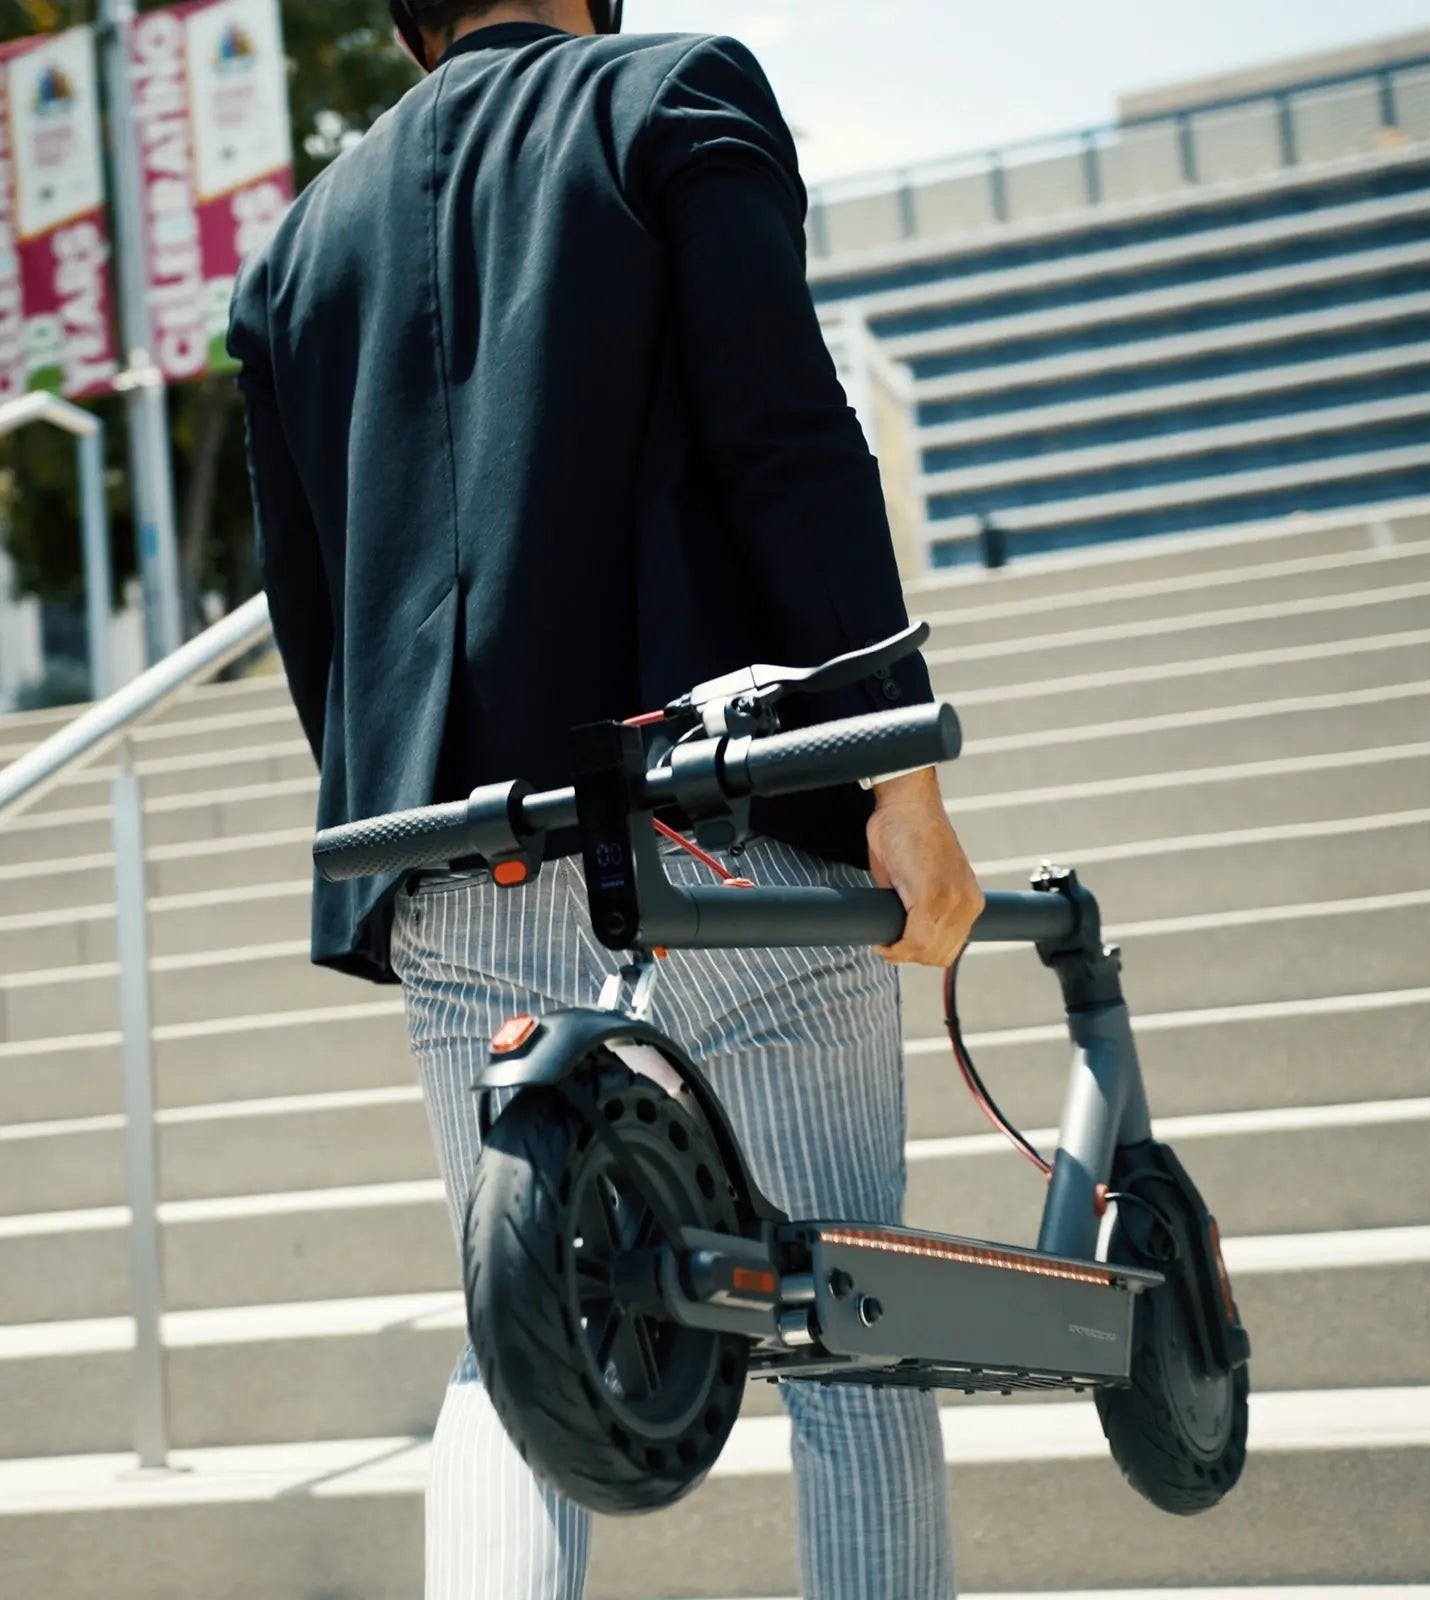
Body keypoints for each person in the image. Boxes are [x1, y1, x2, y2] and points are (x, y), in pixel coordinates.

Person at [227, 1, 985, 1595]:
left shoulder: (296, 250)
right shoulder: (673, 92)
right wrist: (897, 769)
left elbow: (318, 618)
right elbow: (784, 434)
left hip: (457, 873)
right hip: (722, 833)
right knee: (844, 1319)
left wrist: (411, 837)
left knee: (527, 1340)